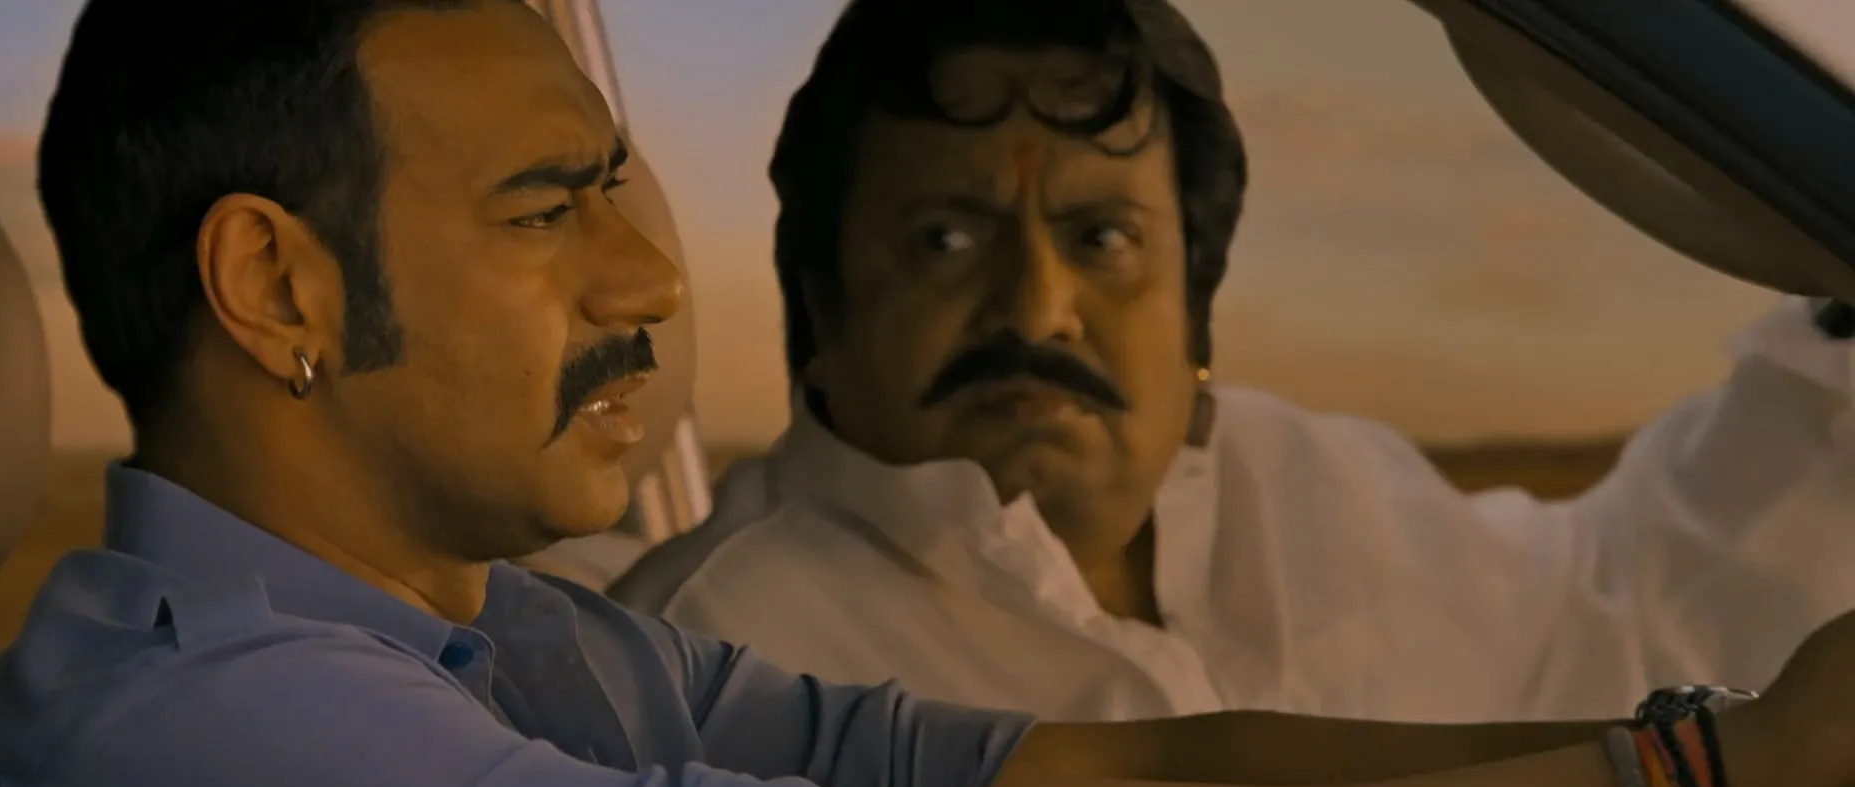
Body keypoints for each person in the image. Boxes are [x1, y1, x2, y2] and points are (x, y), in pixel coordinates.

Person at [0, 0, 1855, 787]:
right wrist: (1697, 786)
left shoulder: (505, 643)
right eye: (546, 211)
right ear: (280, 288)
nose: (650, 279)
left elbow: (1045, 771)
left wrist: (1702, 744)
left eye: (619, 189)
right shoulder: (202, 723)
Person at [610, 0, 1855, 725]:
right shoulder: (700, 670)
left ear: (1195, 311)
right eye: (946, 238)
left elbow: (1615, 613)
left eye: (1103, 240)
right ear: (822, 307)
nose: (1037, 307)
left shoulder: (1306, 488)